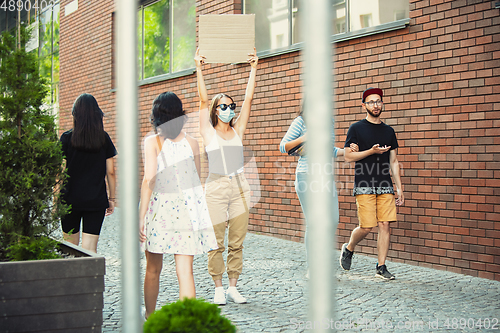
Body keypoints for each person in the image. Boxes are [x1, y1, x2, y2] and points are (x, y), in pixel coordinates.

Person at [139, 92, 218, 319]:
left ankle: (150, 316)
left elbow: (149, 180)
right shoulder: (192, 142)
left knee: (153, 269)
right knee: (185, 273)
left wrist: (141, 215)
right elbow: (195, 179)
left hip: (159, 210)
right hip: (186, 211)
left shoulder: (152, 142)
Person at [194, 47, 258, 305]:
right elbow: (201, 100)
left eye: (231, 106)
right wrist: (198, 67)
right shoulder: (208, 131)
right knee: (215, 240)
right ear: (215, 110)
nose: (230, 109)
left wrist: (254, 68)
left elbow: (249, 99)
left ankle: (233, 286)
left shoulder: (237, 128)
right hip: (217, 186)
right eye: (224, 106)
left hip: (240, 186)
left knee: (237, 241)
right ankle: (218, 287)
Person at [279, 106, 358, 278]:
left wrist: (347, 151)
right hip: (307, 176)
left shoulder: (329, 122)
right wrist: (306, 137)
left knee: (333, 220)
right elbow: (283, 146)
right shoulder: (301, 121)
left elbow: (329, 150)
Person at [340, 87, 404, 280]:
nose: (376, 105)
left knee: (385, 225)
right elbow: (348, 157)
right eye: (371, 102)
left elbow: (393, 161)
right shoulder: (356, 129)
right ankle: (349, 247)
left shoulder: (389, 131)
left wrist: (399, 187)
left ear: (382, 103)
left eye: (378, 101)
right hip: (364, 184)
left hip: (385, 184)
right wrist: (370, 151)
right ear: (364, 106)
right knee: (367, 226)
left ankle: (381, 266)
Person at [59, 93, 117, 253]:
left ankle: (71, 277)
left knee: (69, 248)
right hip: (95, 200)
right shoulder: (104, 139)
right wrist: (111, 198)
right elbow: (111, 172)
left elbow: (60, 172)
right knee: (89, 250)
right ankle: (89, 277)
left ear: (75, 114)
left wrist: (55, 198)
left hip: (69, 198)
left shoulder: (66, 138)